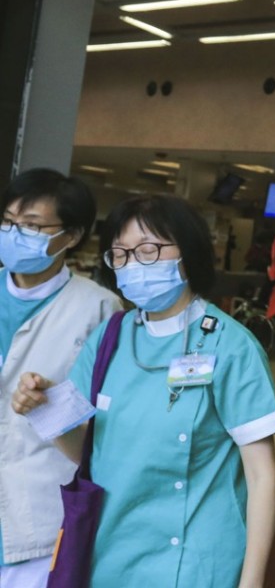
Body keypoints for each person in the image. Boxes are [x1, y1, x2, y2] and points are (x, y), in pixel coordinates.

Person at [11, 195, 275, 587]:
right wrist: (44, 409)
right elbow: (87, 452)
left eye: (149, 249)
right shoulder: (110, 337)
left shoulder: (230, 345)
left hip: (194, 558)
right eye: (120, 254)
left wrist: (251, 582)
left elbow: (262, 476)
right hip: (112, 550)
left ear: (187, 252)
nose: (133, 264)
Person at [0, 169, 121, 587]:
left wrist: (52, 404)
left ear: (70, 237)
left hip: (37, 510)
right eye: (9, 222)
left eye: (32, 226)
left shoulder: (99, 310)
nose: (15, 234)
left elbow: (109, 421)